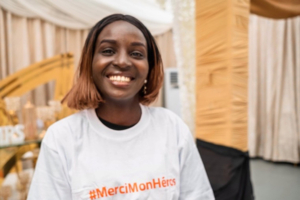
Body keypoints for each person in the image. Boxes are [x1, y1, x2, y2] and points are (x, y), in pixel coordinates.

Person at [27, 14, 214, 200]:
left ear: (149, 67)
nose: (123, 62)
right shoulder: (62, 138)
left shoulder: (172, 128)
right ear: (90, 63)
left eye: (136, 54)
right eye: (108, 51)